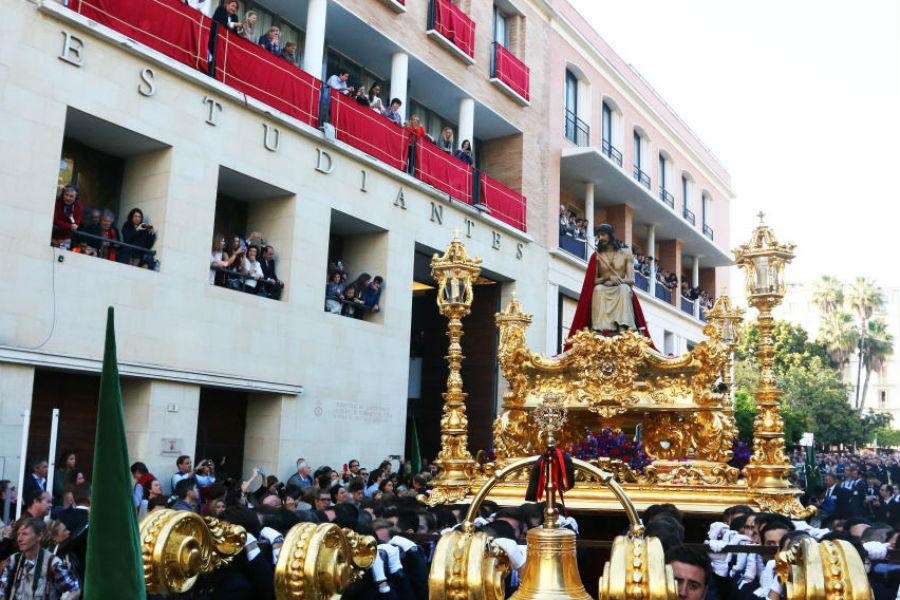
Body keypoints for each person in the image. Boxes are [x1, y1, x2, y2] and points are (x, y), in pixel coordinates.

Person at [0, 518, 81, 598]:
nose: (19, 539)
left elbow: (75, 590)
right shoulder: (13, 560)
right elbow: (1, 591)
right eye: (18, 534)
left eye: (25, 534)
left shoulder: (52, 562)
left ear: (39, 536)